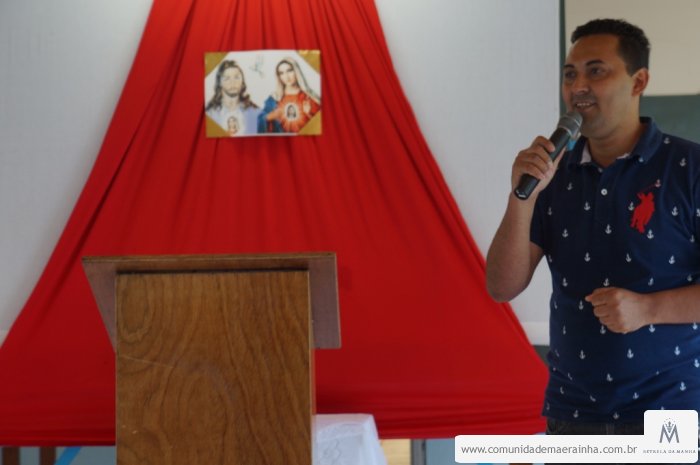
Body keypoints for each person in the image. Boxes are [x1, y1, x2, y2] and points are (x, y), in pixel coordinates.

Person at [486, 17, 700, 448]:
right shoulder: (552, 175)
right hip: (572, 414)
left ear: (638, 81)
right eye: (570, 74)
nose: (577, 86)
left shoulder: (688, 168)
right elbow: (501, 286)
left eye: (596, 71)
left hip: (669, 416)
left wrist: (648, 309)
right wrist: (521, 198)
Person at [258, 57, 320, 133]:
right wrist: (269, 117)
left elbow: (319, 126)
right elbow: (260, 120)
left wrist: (309, 114)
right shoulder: (274, 99)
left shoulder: (309, 97)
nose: (286, 77)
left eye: (289, 70)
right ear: (278, 76)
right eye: (281, 73)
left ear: (296, 71)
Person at [205, 60, 260, 136]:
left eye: (236, 77)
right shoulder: (210, 114)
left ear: (242, 82)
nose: (233, 82)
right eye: (227, 78)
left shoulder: (255, 113)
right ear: (219, 83)